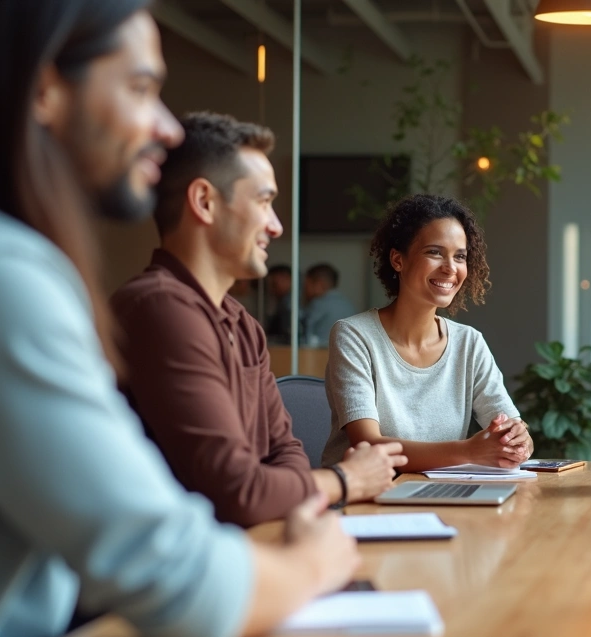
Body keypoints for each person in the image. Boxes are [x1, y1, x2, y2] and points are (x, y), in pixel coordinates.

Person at [0, 3, 357, 637]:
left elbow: (271, 467)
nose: (168, 129)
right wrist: (316, 560)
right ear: (44, 89)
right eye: (141, 88)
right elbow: (180, 577)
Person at [113, 111, 406, 528]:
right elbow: (238, 492)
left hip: (255, 549)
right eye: (264, 202)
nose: (276, 226)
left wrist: (290, 487)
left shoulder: (242, 322)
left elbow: (285, 451)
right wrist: (346, 479)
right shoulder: (160, 310)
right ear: (205, 202)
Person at [321, 194, 534, 471]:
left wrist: (517, 438)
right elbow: (369, 447)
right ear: (398, 260)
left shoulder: (469, 343)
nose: (450, 268)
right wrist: (470, 451)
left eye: (460, 256)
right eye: (434, 252)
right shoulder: (354, 336)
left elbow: (508, 425)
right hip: (366, 499)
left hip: (442, 494)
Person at [303, 262, 358, 345]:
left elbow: (304, 334)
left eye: (307, 286)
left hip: (319, 353)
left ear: (319, 284)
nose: (305, 291)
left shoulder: (318, 303)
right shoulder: (348, 304)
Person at [266, 263, 294, 342]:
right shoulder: (281, 303)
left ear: (288, 279)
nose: (271, 289)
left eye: (274, 284)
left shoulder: (290, 305)